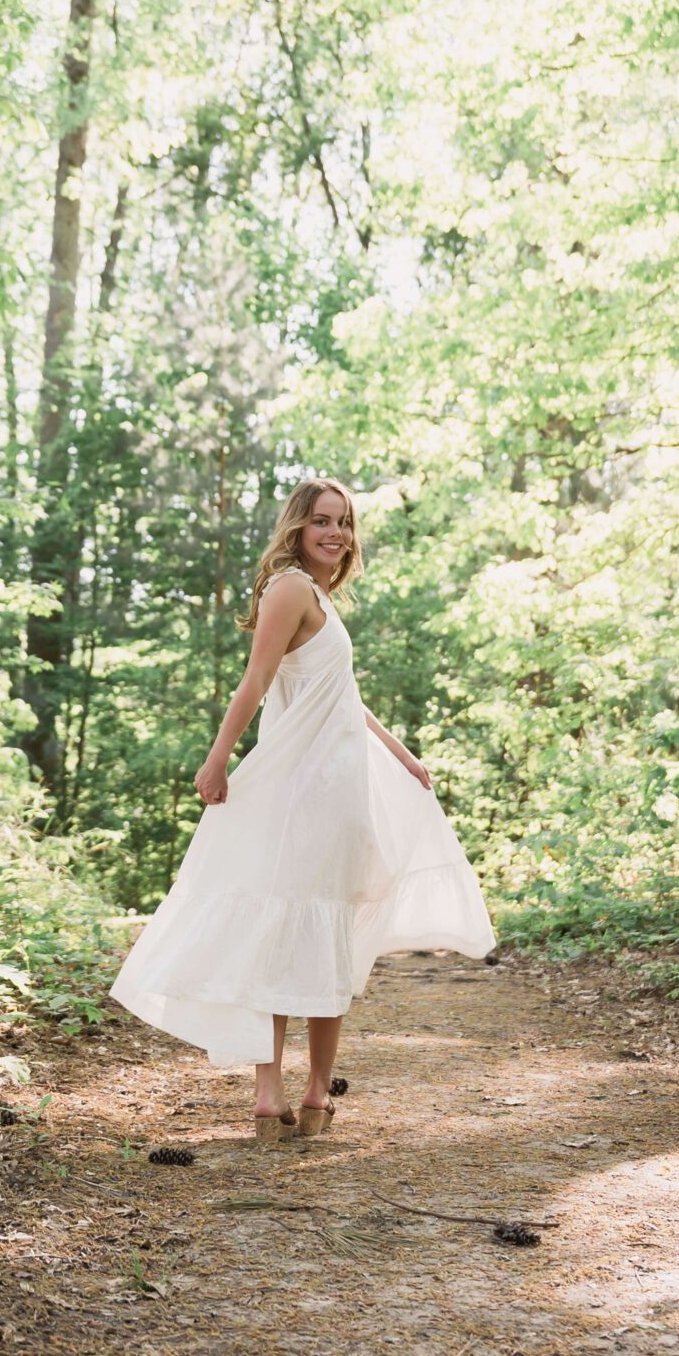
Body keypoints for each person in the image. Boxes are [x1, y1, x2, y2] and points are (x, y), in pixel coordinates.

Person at [109, 476, 495, 1139]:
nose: (336, 533)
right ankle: (287, 1093)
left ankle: (305, 1094)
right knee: (299, 929)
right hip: (306, 786)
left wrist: (402, 755)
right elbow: (255, 680)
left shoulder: (316, 595)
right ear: (296, 526)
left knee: (315, 929)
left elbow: (342, 694)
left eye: (344, 523)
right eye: (322, 520)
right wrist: (217, 757)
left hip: (333, 787)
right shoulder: (289, 588)